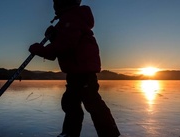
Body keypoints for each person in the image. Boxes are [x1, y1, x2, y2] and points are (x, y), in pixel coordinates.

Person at [29, 0, 121, 137]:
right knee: (71, 103)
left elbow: (65, 45)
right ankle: (70, 132)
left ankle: (109, 133)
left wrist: (41, 50)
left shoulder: (72, 18)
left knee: (92, 103)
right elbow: (66, 42)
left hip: (82, 71)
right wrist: (55, 36)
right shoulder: (69, 19)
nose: (54, 5)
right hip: (76, 71)